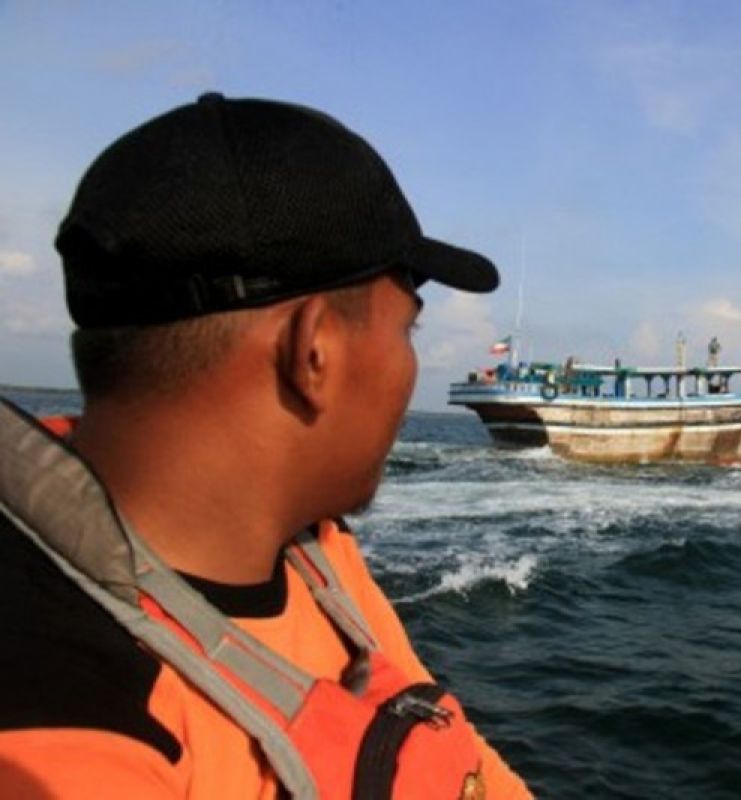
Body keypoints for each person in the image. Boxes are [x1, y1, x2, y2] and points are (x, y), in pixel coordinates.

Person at [0, 94, 531, 799]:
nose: (412, 370)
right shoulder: (64, 732)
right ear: (313, 353)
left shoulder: (314, 552)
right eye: (408, 332)